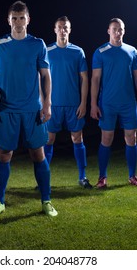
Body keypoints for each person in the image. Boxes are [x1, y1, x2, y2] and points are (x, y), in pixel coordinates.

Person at [0, 0, 58, 217]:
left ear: (28, 19)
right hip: (5, 110)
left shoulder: (38, 44)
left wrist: (47, 102)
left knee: (38, 154)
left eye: (22, 18)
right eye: (14, 18)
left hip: (32, 109)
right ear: (8, 20)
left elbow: (46, 76)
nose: (18, 22)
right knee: (3, 155)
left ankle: (46, 201)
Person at [90, 18, 137, 188]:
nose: (118, 32)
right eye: (114, 29)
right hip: (107, 103)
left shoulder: (132, 51)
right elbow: (95, 79)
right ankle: (102, 177)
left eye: (120, 29)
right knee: (106, 138)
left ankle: (132, 176)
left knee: (131, 137)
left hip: (128, 103)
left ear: (124, 30)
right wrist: (93, 104)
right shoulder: (100, 52)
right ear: (108, 31)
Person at [44, 16, 92, 189]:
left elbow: (85, 79)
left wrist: (83, 103)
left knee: (77, 137)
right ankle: (44, 178)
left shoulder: (78, 52)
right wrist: (44, 103)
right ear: (55, 29)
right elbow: (41, 78)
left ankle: (82, 177)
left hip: (73, 104)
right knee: (48, 139)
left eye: (65, 27)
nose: (62, 30)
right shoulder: (47, 50)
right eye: (59, 27)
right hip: (53, 104)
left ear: (69, 30)